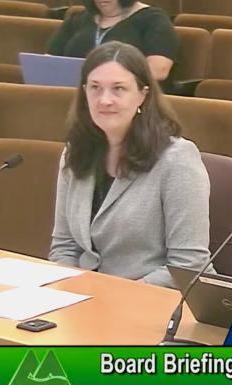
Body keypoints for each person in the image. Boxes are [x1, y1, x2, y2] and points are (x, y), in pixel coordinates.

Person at [48, 41, 213, 288]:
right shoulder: (75, 152)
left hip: (150, 300)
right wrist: (67, 291)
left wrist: (116, 296)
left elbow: (188, 265)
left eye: (118, 89)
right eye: (95, 88)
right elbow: (64, 246)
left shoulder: (176, 159)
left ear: (143, 95)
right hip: (85, 300)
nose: (104, 100)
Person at [48, 0, 178, 89]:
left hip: (127, 98)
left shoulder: (154, 19)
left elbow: (158, 70)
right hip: (73, 95)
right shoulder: (76, 20)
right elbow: (47, 63)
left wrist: (107, 84)